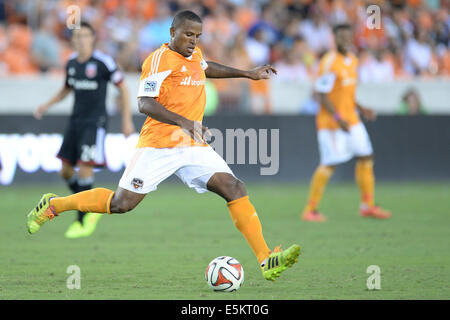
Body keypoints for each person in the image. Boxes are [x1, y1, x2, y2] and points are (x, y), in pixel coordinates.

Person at [27, 11, 300, 281]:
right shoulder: (158, 60)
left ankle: (266, 258)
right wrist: (183, 121)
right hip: (158, 143)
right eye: (188, 34)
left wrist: (247, 74)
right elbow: (144, 103)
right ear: (173, 33)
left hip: (190, 142)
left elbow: (205, 68)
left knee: (234, 187)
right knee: (122, 204)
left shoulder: (195, 55)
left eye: (197, 35)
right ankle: (54, 205)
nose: (193, 41)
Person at [33, 22, 135, 238]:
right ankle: (88, 207)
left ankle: (81, 221)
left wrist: (127, 120)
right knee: (66, 171)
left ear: (93, 39)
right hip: (75, 121)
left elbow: (123, 88)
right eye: (77, 36)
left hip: (94, 123)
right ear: (73, 40)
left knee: (85, 168)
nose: (81, 39)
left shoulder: (102, 62)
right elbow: (66, 89)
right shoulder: (71, 63)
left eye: (85, 35)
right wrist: (46, 105)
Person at [301, 23, 391, 222]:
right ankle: (310, 209)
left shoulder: (353, 60)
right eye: (341, 36)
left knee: (366, 156)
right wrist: (337, 117)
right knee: (330, 164)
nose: (345, 40)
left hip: (352, 119)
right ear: (334, 38)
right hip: (332, 122)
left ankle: (367, 205)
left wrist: (361, 107)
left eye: (348, 36)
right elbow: (322, 95)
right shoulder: (328, 62)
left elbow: (347, 94)